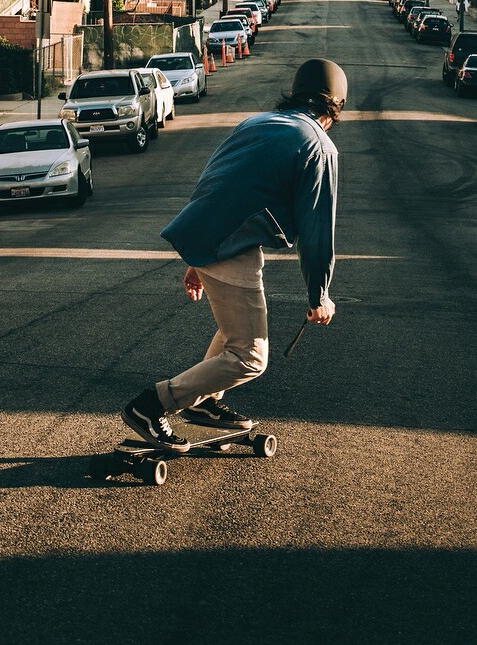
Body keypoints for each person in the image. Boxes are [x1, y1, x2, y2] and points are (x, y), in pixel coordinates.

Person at [122, 58, 347, 453]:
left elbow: (217, 185)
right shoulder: (319, 146)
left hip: (214, 237)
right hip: (230, 248)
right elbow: (317, 232)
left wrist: (198, 254)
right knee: (249, 357)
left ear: (293, 95)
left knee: (234, 334)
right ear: (335, 108)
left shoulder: (256, 123)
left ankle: (204, 401)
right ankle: (153, 404)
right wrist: (319, 296)